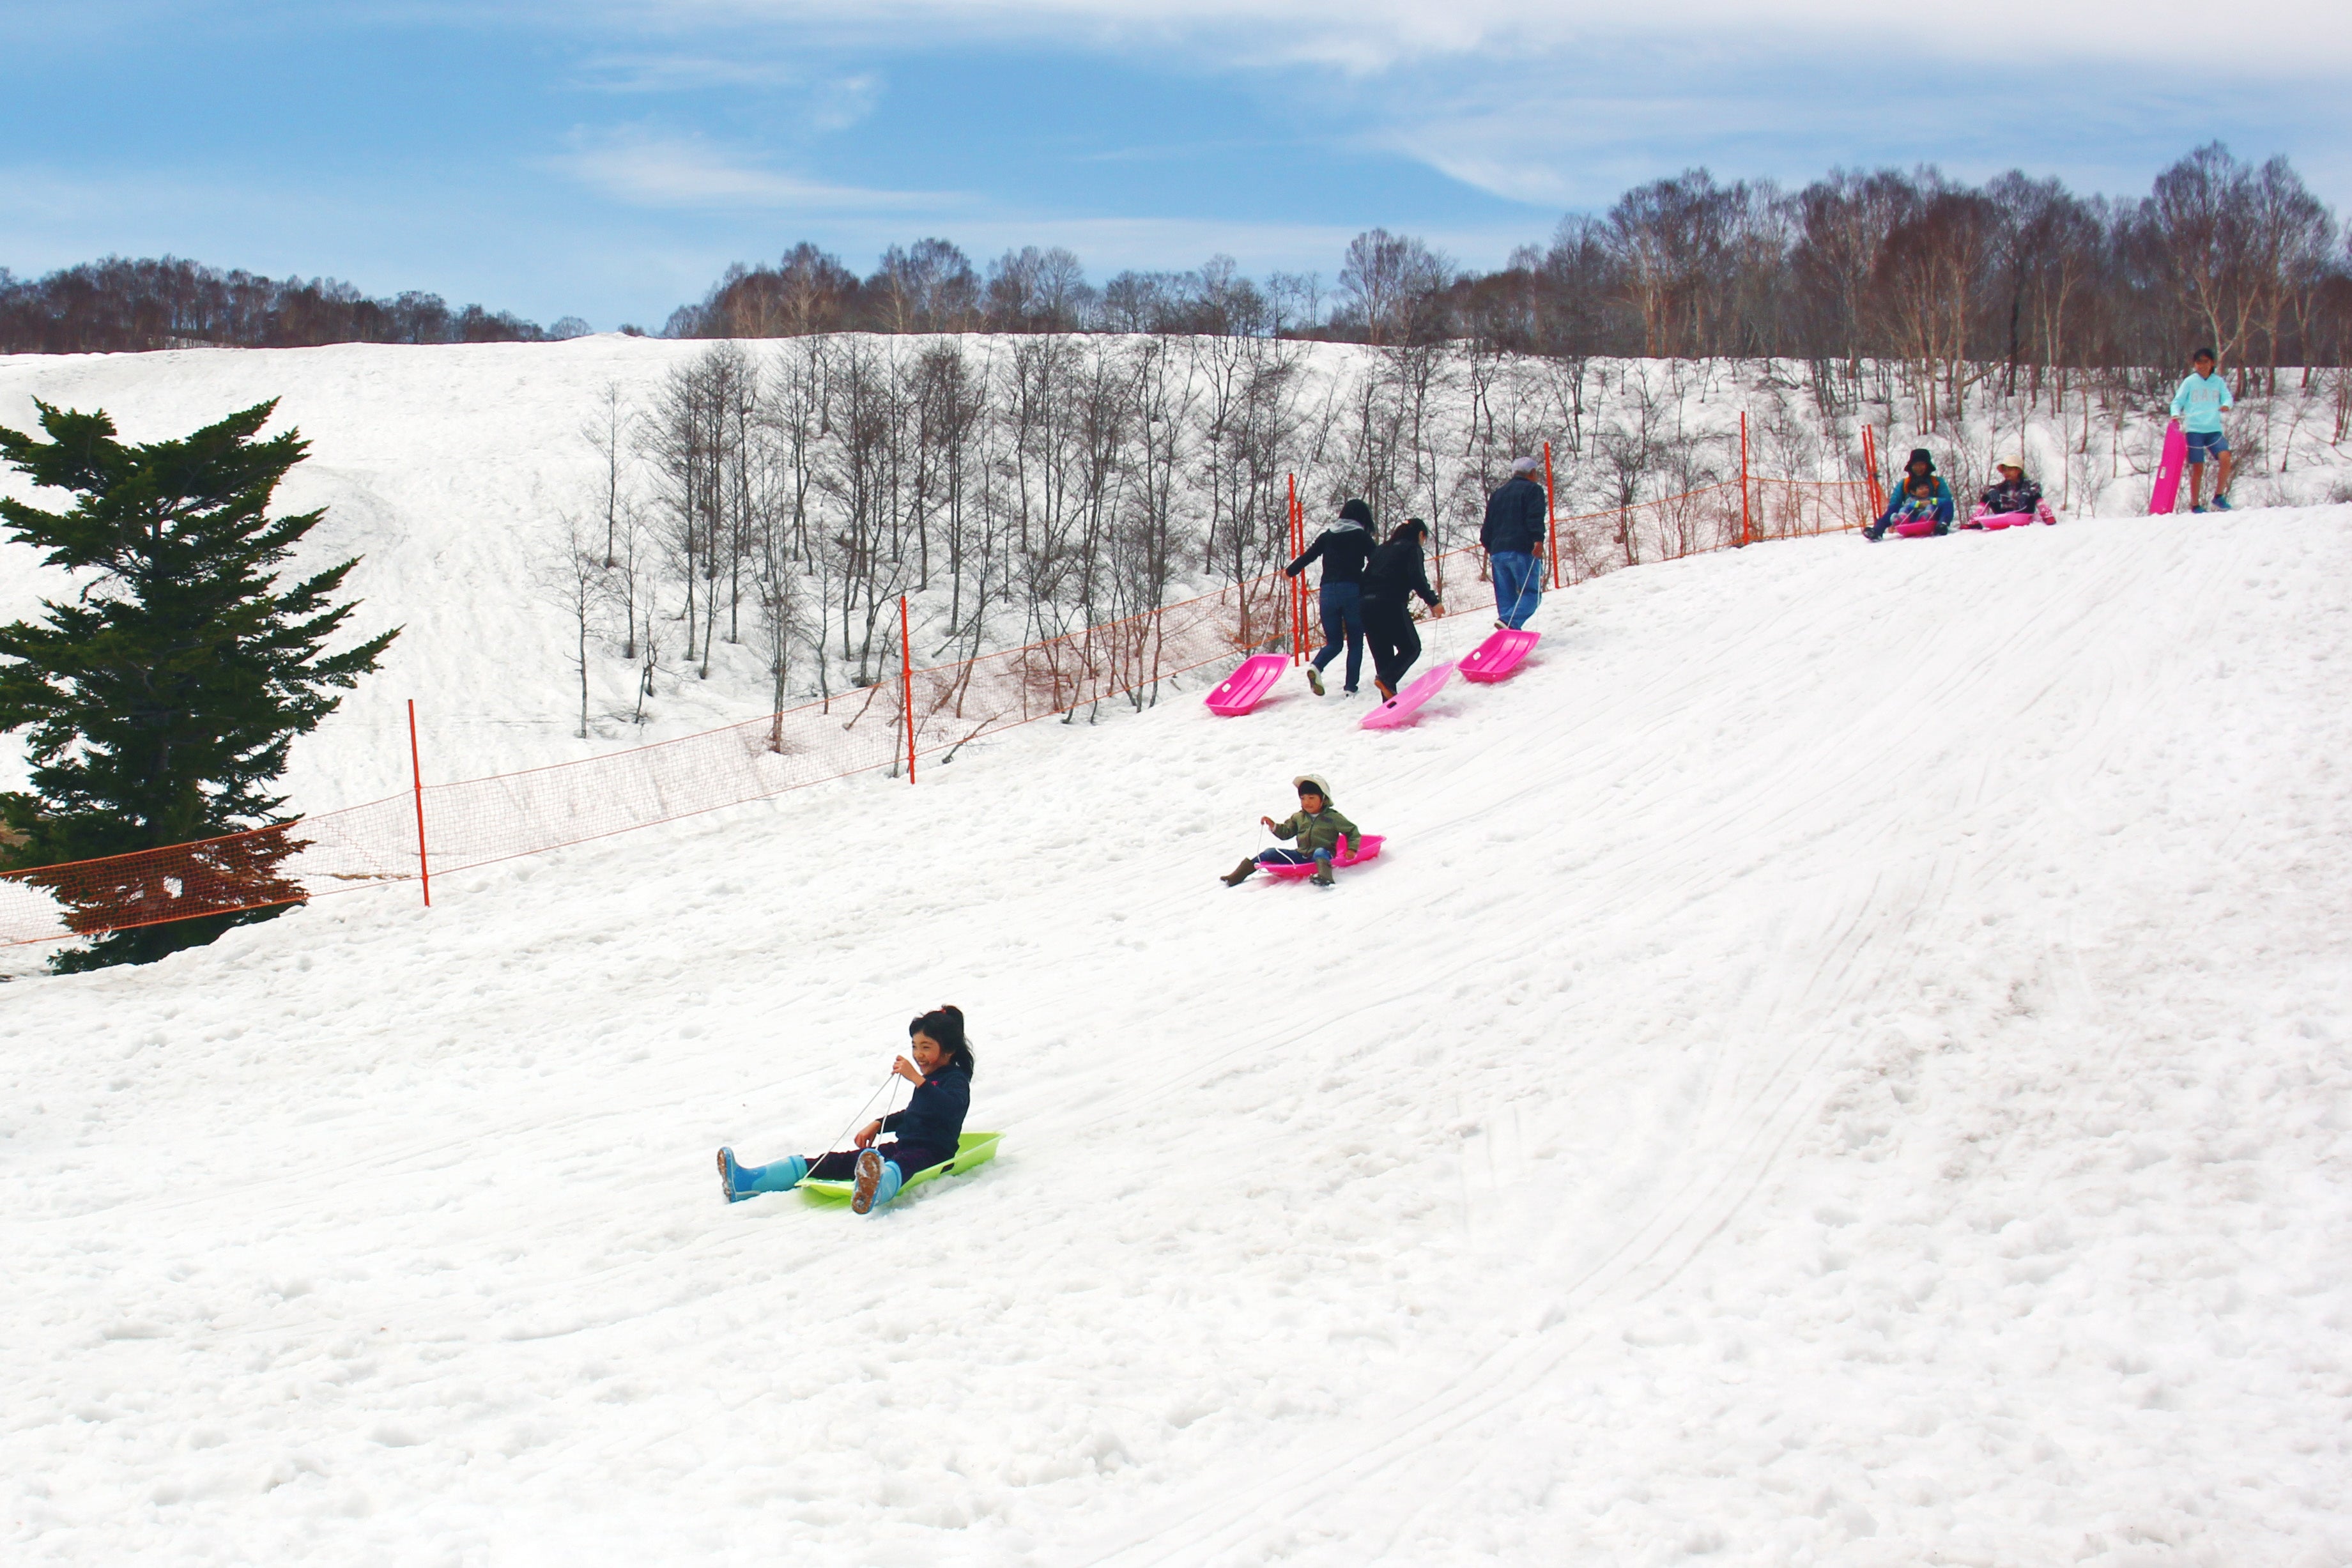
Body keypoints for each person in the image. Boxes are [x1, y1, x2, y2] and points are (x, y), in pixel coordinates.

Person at [718, 1006, 974, 1214]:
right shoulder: (932, 1080)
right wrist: (878, 1123)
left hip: (934, 1153)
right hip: (904, 1145)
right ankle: (747, 1181)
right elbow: (916, 1113)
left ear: (949, 1050)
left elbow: (949, 1109)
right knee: (839, 1161)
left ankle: (875, 1191)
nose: (918, 1055)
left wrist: (918, 1081)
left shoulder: (956, 1080)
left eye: (926, 1047)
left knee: (902, 1164)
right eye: (915, 1047)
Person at [1284, 498, 1377, 695]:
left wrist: (1290, 572)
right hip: (1352, 591)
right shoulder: (1361, 536)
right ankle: (1350, 688)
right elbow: (1377, 561)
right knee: (1355, 642)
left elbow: (1308, 556)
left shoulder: (1328, 536)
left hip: (1327, 593)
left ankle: (1316, 666)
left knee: (1334, 642)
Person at [1220, 774, 1362, 888]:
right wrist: (1273, 825)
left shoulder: (1333, 817)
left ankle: (1325, 877)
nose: (1307, 802)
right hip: (1302, 854)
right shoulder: (1299, 817)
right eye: (1303, 798)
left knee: (1320, 851)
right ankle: (1236, 877)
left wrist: (1352, 849)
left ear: (1323, 799)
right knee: (1269, 852)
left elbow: (1352, 831)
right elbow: (1286, 832)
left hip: (1323, 854)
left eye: (1312, 798)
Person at [1360, 518, 1443, 698]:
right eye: (1424, 538)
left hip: (1366, 606)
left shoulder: (1381, 550)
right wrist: (1433, 602)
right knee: (1411, 648)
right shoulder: (1412, 548)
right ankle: (1388, 680)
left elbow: (1364, 577)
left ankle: (1388, 703)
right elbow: (1417, 578)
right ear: (1421, 535)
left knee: (1384, 659)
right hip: (1389, 602)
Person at [1482, 455, 1549, 631]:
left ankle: (1508, 632)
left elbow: (1487, 526)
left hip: (1497, 552)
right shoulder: (1533, 490)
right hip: (1522, 549)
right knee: (1531, 595)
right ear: (1532, 473)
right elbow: (1534, 517)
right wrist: (1538, 540)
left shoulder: (1497, 494)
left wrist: (1491, 547)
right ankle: (1510, 623)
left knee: (1506, 598)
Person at [2169, 348, 2234, 512]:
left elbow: (2227, 397)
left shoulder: (2218, 382)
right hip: (2195, 431)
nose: (2202, 366)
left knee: (2225, 457)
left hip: (2213, 430)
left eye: (2206, 362)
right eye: (2199, 362)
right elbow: (2177, 402)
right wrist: (2175, 415)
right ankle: (2195, 505)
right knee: (2198, 467)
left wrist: (2226, 405)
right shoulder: (2190, 382)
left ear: (2212, 363)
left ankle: (2219, 497)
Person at [1863, 449, 1953, 540]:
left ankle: (1942, 525)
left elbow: (1946, 499)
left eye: (1922, 464)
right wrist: (1909, 506)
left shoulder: (1937, 482)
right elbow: (1895, 501)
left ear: (1927, 466)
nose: (1919, 468)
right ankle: (1877, 530)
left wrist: (1931, 501)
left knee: (1948, 504)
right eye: (1916, 465)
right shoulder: (1905, 483)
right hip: (1911, 514)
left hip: (1932, 514)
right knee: (1894, 508)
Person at [1973, 456, 2044, 523]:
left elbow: (2037, 487)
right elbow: (1988, 489)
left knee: (2035, 494)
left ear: (2018, 470)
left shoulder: (2028, 485)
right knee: (1989, 494)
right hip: (2004, 514)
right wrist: (1991, 491)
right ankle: (1975, 520)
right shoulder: (2002, 486)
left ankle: (2047, 514)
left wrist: (2027, 494)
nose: (2006, 473)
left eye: (2010, 470)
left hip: (2023, 513)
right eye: (2004, 471)